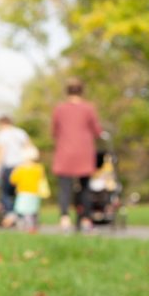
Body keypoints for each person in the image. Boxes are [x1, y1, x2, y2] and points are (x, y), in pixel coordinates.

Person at [51, 77, 103, 231]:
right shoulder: (88, 108)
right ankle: (86, 218)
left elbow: (54, 131)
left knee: (65, 188)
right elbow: (97, 130)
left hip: (65, 152)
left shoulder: (59, 109)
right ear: (82, 91)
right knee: (85, 187)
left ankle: (65, 218)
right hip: (84, 153)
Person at [0, 116, 30, 225]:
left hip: (9, 166)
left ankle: (11, 214)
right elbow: (29, 147)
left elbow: (1, 152)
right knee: (20, 192)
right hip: (23, 167)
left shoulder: (2, 135)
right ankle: (22, 215)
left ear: (2, 124)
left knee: (6, 192)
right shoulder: (21, 133)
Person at [9, 144, 47, 232]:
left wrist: (14, 171)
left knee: (22, 211)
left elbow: (13, 180)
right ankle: (33, 224)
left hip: (23, 193)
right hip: (35, 193)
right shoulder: (39, 168)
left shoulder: (21, 169)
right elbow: (41, 178)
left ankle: (27, 226)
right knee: (32, 211)